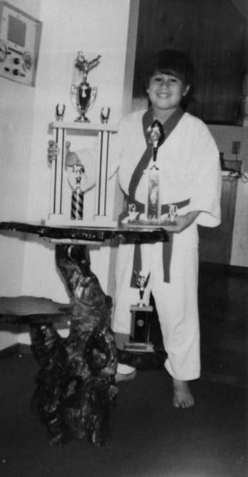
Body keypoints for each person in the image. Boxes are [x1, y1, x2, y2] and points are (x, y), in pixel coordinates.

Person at [48, 49, 221, 409]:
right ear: (147, 84)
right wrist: (75, 160)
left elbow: (208, 179)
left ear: (185, 89)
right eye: (158, 78)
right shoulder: (127, 124)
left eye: (173, 80)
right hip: (135, 226)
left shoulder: (195, 131)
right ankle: (124, 362)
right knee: (128, 300)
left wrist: (189, 217)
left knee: (178, 305)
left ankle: (181, 378)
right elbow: (102, 161)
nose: (164, 86)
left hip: (177, 229)